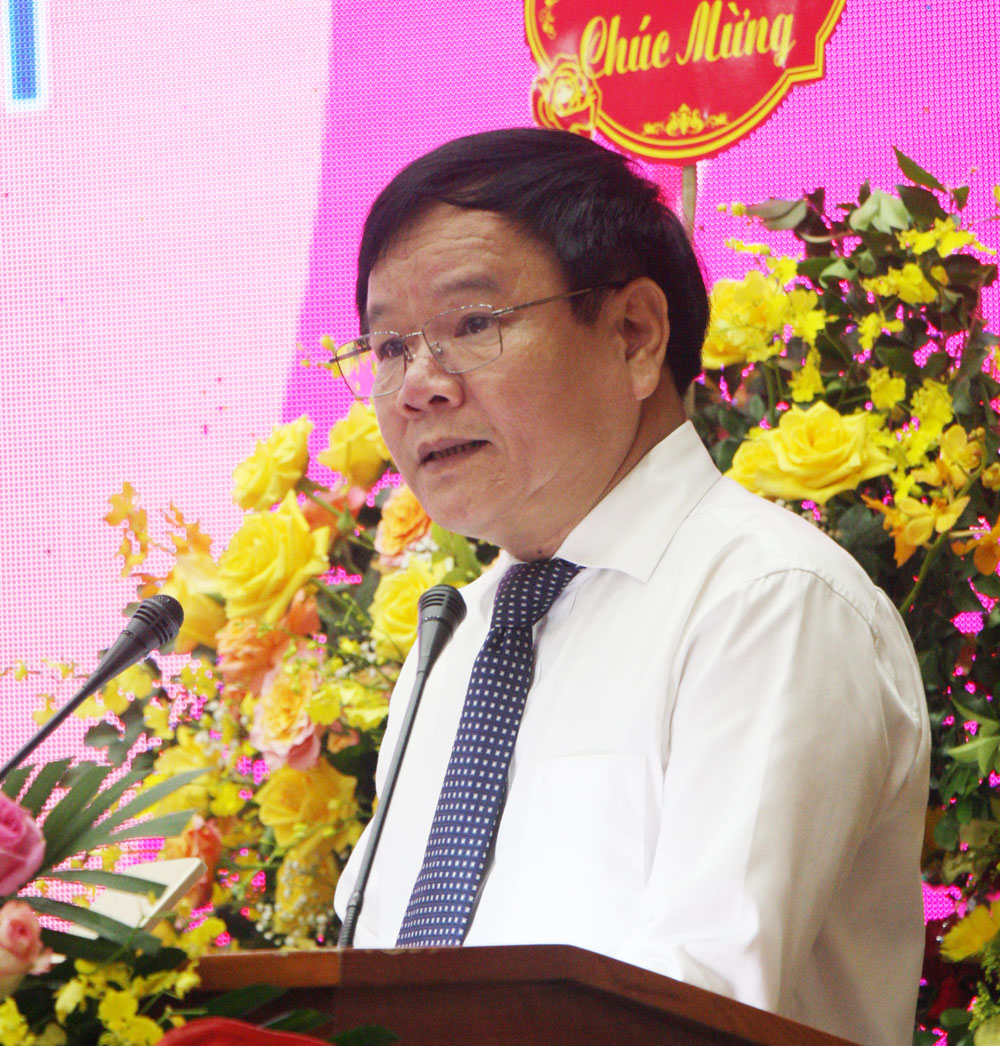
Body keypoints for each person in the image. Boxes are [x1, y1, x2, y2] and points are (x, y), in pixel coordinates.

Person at [331, 128, 930, 1046]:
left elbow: (704, 1003)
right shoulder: (461, 635)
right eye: (387, 347)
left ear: (634, 334)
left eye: (473, 325)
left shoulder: (767, 600)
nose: (417, 387)